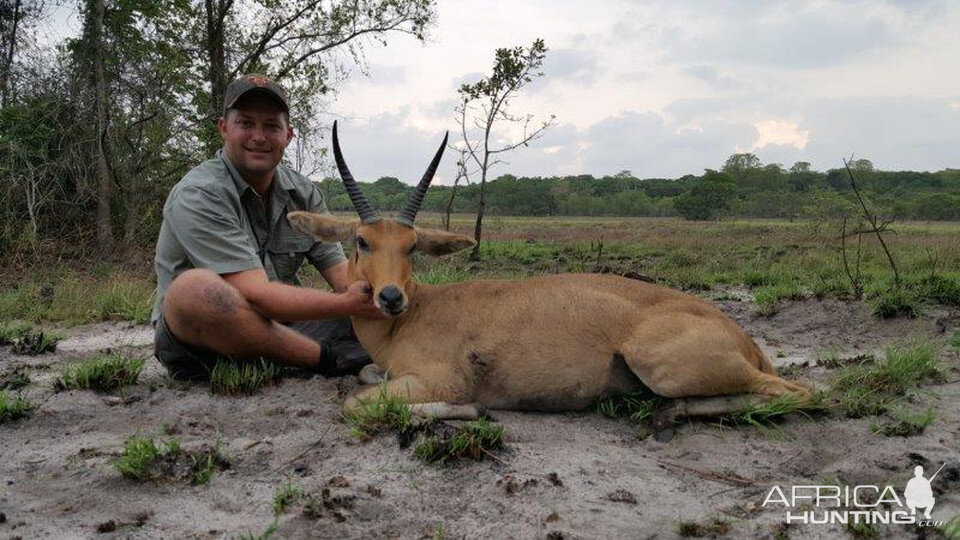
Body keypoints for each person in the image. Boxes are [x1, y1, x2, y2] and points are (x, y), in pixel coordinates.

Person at [151, 73, 382, 380]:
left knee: (387, 307)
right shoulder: (200, 192)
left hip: (285, 329)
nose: (258, 136)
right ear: (224, 128)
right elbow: (257, 295)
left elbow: (343, 277)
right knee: (193, 291)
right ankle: (329, 360)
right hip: (209, 341)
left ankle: (381, 354)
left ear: (288, 135)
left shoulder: (304, 193)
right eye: (246, 123)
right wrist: (344, 302)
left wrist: (380, 289)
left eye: (271, 125)